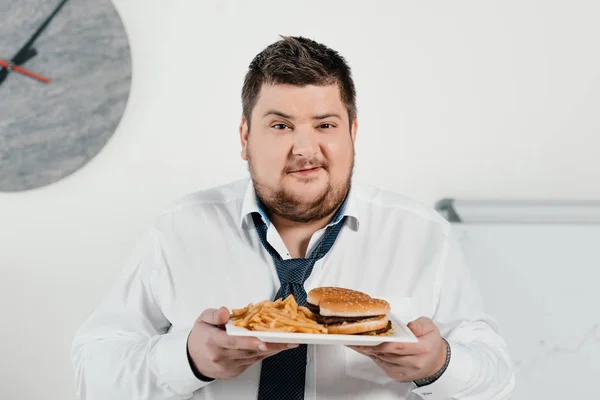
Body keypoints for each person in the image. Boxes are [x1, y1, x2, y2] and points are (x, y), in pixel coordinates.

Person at [71, 36, 515, 400]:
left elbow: (498, 379)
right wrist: (187, 359)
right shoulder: (178, 230)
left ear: (352, 133)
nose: (305, 149)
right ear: (245, 137)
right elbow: (93, 372)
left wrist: (439, 366)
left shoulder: (421, 234)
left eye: (324, 125)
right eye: (281, 126)